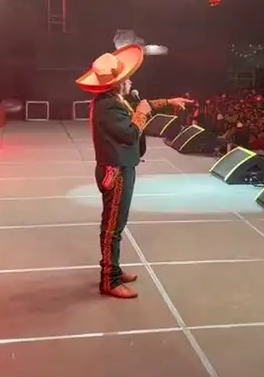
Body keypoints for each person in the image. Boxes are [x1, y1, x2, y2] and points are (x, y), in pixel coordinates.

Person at [76, 45, 192, 299]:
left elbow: (143, 106)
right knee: (112, 227)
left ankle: (113, 270)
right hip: (115, 172)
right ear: (116, 84)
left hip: (122, 167)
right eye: (126, 78)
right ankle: (109, 280)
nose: (130, 81)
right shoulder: (108, 106)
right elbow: (130, 133)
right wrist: (140, 115)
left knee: (116, 224)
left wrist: (167, 102)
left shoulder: (114, 100)